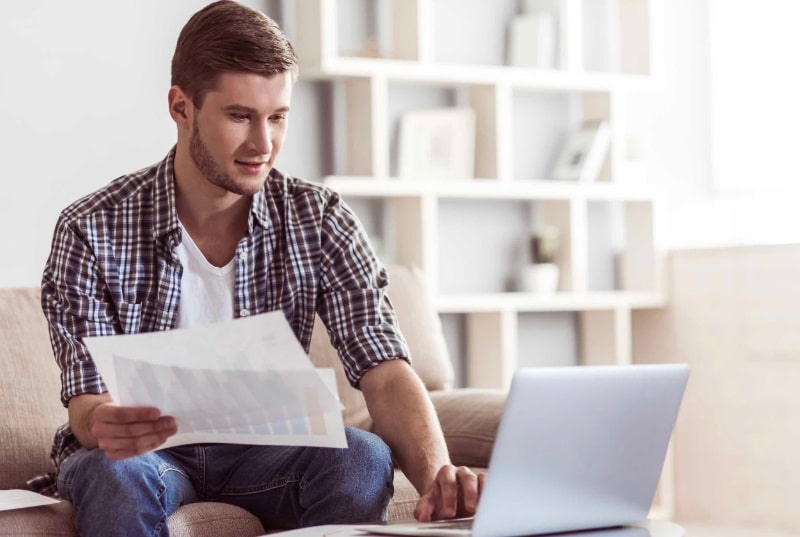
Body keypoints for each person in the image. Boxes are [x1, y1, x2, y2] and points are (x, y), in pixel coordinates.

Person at [31, 1, 483, 535]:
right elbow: (88, 401)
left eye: (278, 117)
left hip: (270, 453)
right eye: (240, 116)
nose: (262, 144)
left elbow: (384, 370)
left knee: (360, 455)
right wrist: (101, 422)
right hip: (141, 457)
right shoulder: (91, 227)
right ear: (181, 107)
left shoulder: (320, 219)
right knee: (117, 473)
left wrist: (437, 479)